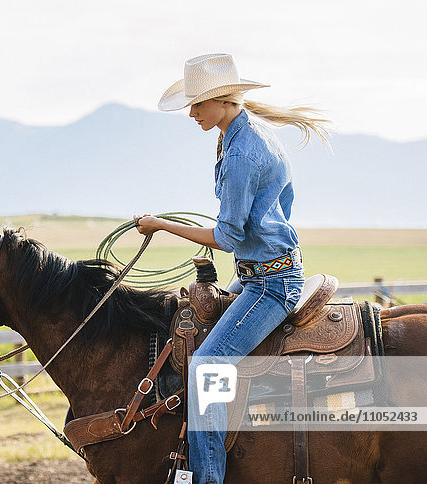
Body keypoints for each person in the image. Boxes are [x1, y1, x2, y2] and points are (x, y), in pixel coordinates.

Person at [133, 53, 329, 484]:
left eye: (197, 104)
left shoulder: (242, 151)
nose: (191, 113)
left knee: (206, 367)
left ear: (222, 100)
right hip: (264, 270)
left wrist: (162, 225)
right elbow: (281, 207)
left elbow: (228, 238)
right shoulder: (244, 135)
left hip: (270, 284)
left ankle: (207, 479)